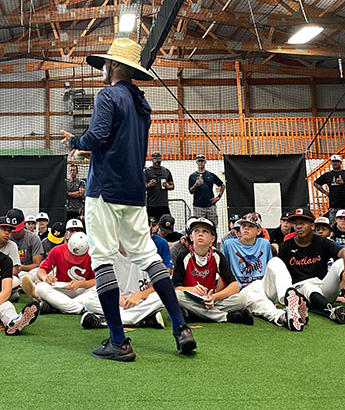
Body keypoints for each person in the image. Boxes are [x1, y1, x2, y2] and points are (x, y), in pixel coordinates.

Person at [61, 37, 194, 361]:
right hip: (134, 191)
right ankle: (181, 328)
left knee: (103, 258)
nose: (103, 69)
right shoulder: (142, 103)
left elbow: (98, 136)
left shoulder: (108, 95)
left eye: (106, 64)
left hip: (104, 189)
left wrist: (77, 141)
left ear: (114, 66)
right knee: (148, 255)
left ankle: (119, 342)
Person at [262, 208, 345, 324]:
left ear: (312, 226)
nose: (298, 226)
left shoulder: (321, 242)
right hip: (300, 291)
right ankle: (331, 312)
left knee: (341, 263)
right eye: (296, 223)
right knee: (306, 285)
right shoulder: (286, 246)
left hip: (323, 287)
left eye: (302, 223)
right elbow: (280, 272)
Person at [173, 218, 253, 325]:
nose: (200, 234)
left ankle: (194, 314)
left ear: (212, 239)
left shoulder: (217, 256)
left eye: (205, 231)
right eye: (196, 231)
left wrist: (214, 297)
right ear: (191, 237)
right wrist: (191, 289)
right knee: (176, 296)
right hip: (190, 298)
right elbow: (176, 287)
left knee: (242, 300)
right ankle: (226, 317)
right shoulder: (183, 257)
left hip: (211, 300)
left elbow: (234, 286)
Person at [80, 246, 166, 331]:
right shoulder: (109, 256)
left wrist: (140, 295)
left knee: (162, 297)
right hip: (116, 302)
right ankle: (141, 320)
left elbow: (156, 287)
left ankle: (108, 321)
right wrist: (116, 298)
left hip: (140, 303)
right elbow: (102, 285)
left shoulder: (148, 255)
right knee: (88, 301)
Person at [28, 232, 95, 314]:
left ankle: (56, 307)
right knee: (40, 288)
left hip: (82, 289)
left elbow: (97, 280)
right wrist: (45, 277)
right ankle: (80, 309)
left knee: (99, 290)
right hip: (61, 287)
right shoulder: (58, 250)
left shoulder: (93, 254)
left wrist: (81, 284)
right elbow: (41, 270)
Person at [221, 213, 274, 288]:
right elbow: (224, 269)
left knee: (276, 263)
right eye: (243, 225)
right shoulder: (229, 244)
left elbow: (270, 268)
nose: (246, 228)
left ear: (258, 231)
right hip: (238, 289)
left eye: (251, 226)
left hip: (261, 288)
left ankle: (284, 295)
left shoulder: (264, 244)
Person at [314, 155, 345, 224]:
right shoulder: (328, 175)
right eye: (333, 162)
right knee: (333, 226)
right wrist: (326, 193)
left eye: (337, 161)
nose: (335, 163)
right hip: (334, 206)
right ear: (331, 163)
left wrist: (344, 184)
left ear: (340, 163)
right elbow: (316, 183)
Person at [6, 209, 43, 283]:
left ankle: (20, 283)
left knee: (37, 272)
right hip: (9, 272)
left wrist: (22, 268)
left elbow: (37, 264)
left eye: (18, 230)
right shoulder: (5, 237)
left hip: (27, 271)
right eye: (13, 230)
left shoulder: (33, 238)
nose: (16, 233)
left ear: (24, 224)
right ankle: (21, 284)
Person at [188, 154, 224, 229]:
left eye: (202, 161)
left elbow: (222, 185)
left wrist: (218, 197)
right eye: (199, 161)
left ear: (205, 162)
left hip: (210, 205)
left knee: (213, 226)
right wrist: (196, 185)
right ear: (196, 162)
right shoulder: (193, 176)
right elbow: (191, 191)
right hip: (198, 206)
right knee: (199, 227)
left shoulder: (210, 175)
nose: (200, 163)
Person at [144, 152, 174, 221]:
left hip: (163, 204)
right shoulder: (147, 172)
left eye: (158, 162)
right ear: (152, 161)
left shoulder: (166, 171)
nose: (157, 164)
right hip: (151, 205)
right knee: (152, 225)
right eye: (155, 162)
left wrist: (167, 186)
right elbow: (142, 187)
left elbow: (172, 186)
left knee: (168, 223)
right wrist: (149, 185)